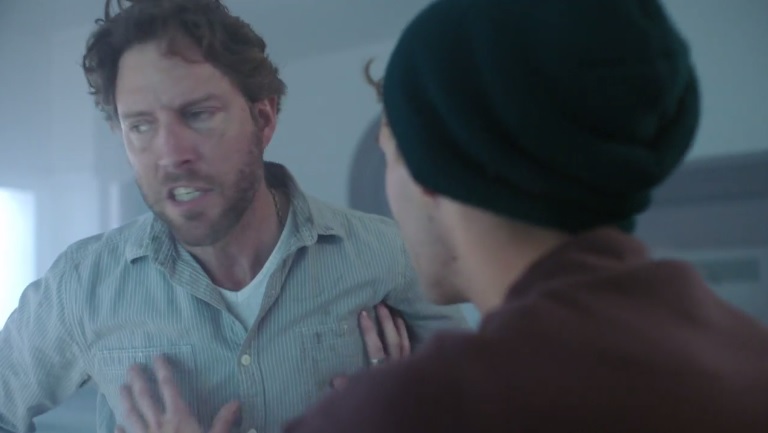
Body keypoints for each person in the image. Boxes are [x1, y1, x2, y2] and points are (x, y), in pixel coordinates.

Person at [115, 0, 768, 432]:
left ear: (433, 170)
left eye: (390, 149)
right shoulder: (748, 354)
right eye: (139, 125)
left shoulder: (415, 410)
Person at [0, 0, 470, 432]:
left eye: (198, 114)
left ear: (263, 120)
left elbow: (476, 411)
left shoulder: (389, 258)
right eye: (141, 125)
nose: (171, 154)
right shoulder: (80, 286)